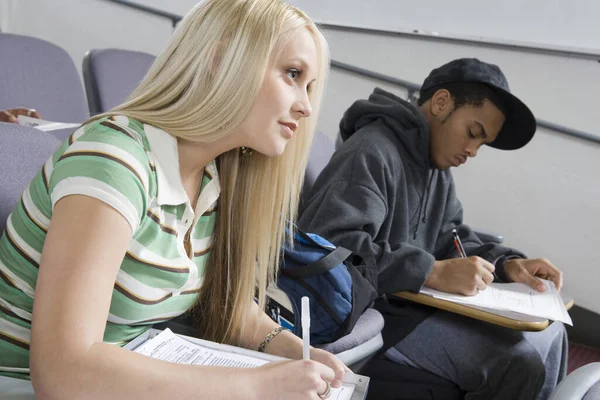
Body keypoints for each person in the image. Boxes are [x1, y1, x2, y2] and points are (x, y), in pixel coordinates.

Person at [0, 0, 347, 398]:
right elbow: (62, 372)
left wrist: (294, 353)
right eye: (292, 74)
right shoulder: (115, 159)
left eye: (309, 86)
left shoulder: (215, 176)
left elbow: (231, 311)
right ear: (221, 60)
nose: (305, 106)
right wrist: (256, 385)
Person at [298, 58, 567, 399]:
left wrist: (507, 264)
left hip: (416, 309)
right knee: (519, 361)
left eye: (482, 144)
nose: (472, 150)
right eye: (473, 133)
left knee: (552, 335)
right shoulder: (371, 151)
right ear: (441, 103)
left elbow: (451, 238)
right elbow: (329, 248)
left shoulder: (436, 171)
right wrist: (430, 271)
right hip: (376, 318)